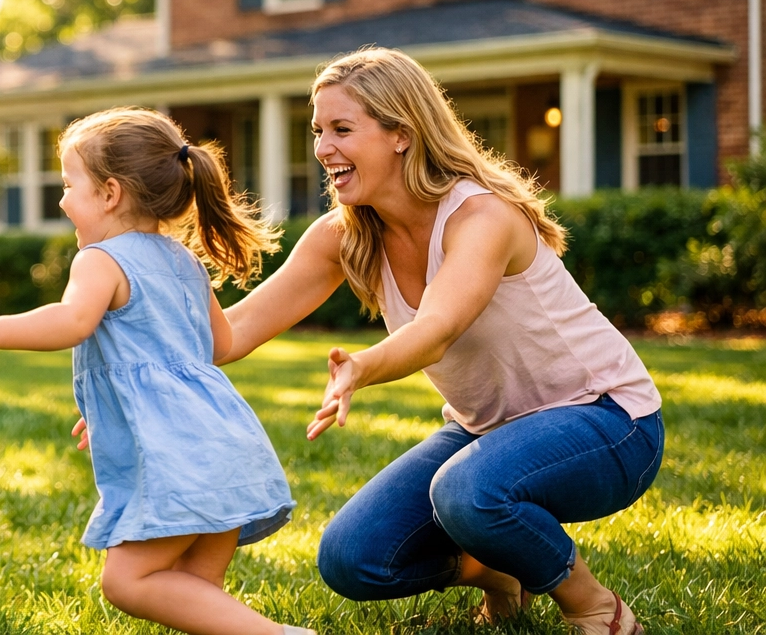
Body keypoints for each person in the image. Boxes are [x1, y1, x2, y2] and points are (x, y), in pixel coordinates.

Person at [218, 48, 662, 635]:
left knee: (466, 490)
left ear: (401, 133)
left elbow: (436, 329)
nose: (323, 148)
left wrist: (361, 366)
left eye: (342, 129)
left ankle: (594, 606)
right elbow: (234, 332)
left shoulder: (482, 216)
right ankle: (502, 569)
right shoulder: (344, 236)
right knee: (352, 559)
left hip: (608, 422)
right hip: (488, 430)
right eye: (318, 130)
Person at [0, 108, 315, 635]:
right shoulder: (183, 260)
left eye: (69, 184)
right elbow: (221, 343)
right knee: (195, 593)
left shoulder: (101, 259)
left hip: (179, 462)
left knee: (127, 582)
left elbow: (73, 321)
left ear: (110, 193)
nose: (61, 199)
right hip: (223, 446)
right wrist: (126, 407)